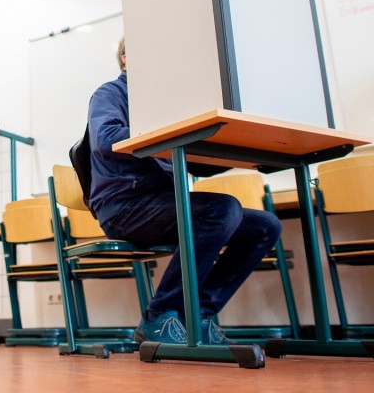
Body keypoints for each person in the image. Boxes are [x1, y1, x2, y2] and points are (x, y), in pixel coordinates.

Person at [86, 38, 282, 345]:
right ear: (126, 59)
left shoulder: (163, 105)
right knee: (223, 208)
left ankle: (197, 315)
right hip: (125, 207)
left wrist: (248, 158)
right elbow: (106, 137)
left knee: (264, 226)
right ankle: (159, 315)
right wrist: (170, 134)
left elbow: (197, 164)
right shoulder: (110, 93)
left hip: (162, 204)